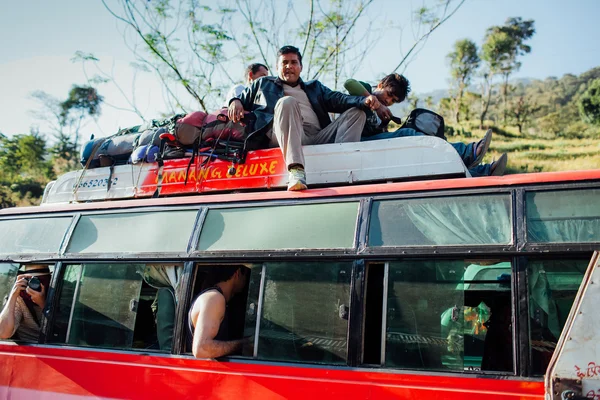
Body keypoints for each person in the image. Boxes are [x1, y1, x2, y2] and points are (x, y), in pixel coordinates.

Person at [228, 45, 379, 191]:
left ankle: (342, 166)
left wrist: (362, 101)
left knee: (356, 113)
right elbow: (241, 98)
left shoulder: (314, 87)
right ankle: (296, 171)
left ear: (301, 67)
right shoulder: (263, 83)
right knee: (287, 102)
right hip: (283, 135)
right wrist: (235, 101)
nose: (289, 66)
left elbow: (337, 98)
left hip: (317, 136)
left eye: (293, 62)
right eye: (284, 63)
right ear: (277, 67)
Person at [345, 75, 508, 177]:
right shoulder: (365, 90)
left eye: (394, 101)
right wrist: (376, 105)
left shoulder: (384, 116)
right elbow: (349, 83)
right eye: (388, 95)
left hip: (374, 153)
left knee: (424, 161)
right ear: (380, 85)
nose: (388, 101)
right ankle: (467, 152)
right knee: (406, 134)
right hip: (358, 144)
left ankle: (483, 172)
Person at [188, 265, 250, 358]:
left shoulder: (215, 298)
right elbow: (201, 349)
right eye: (246, 275)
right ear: (237, 274)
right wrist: (243, 344)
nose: (246, 280)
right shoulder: (214, 298)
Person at [0, 265, 51, 341]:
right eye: (31, 280)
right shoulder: (20, 298)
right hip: (29, 348)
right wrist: (13, 295)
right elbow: (2, 332)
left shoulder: (61, 291)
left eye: (41, 280)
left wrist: (43, 304)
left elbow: (66, 329)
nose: (35, 284)